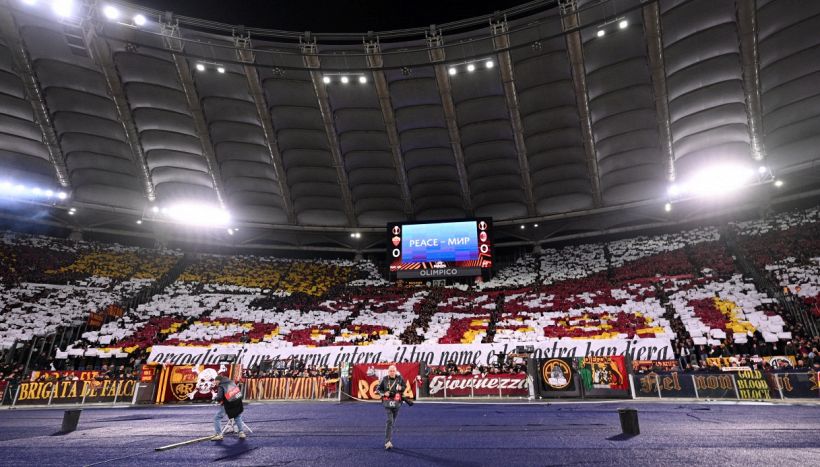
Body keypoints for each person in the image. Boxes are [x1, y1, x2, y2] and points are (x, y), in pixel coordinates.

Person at [376, 365, 405, 450]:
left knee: (392, 422)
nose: (392, 372)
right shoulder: (384, 379)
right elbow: (378, 389)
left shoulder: (400, 378)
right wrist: (384, 393)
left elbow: (404, 387)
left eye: (393, 371)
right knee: (390, 420)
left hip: (397, 403)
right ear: (388, 372)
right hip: (387, 402)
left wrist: (401, 388)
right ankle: (387, 442)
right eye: (390, 371)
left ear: (396, 371)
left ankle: (388, 437)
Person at [212, 375, 249, 440]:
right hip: (237, 402)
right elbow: (239, 393)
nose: (216, 383)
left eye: (216, 382)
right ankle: (241, 433)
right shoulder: (232, 383)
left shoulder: (221, 386)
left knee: (217, 418)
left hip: (228, 404)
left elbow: (220, 397)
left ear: (218, 380)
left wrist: (215, 399)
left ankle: (219, 434)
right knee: (237, 417)